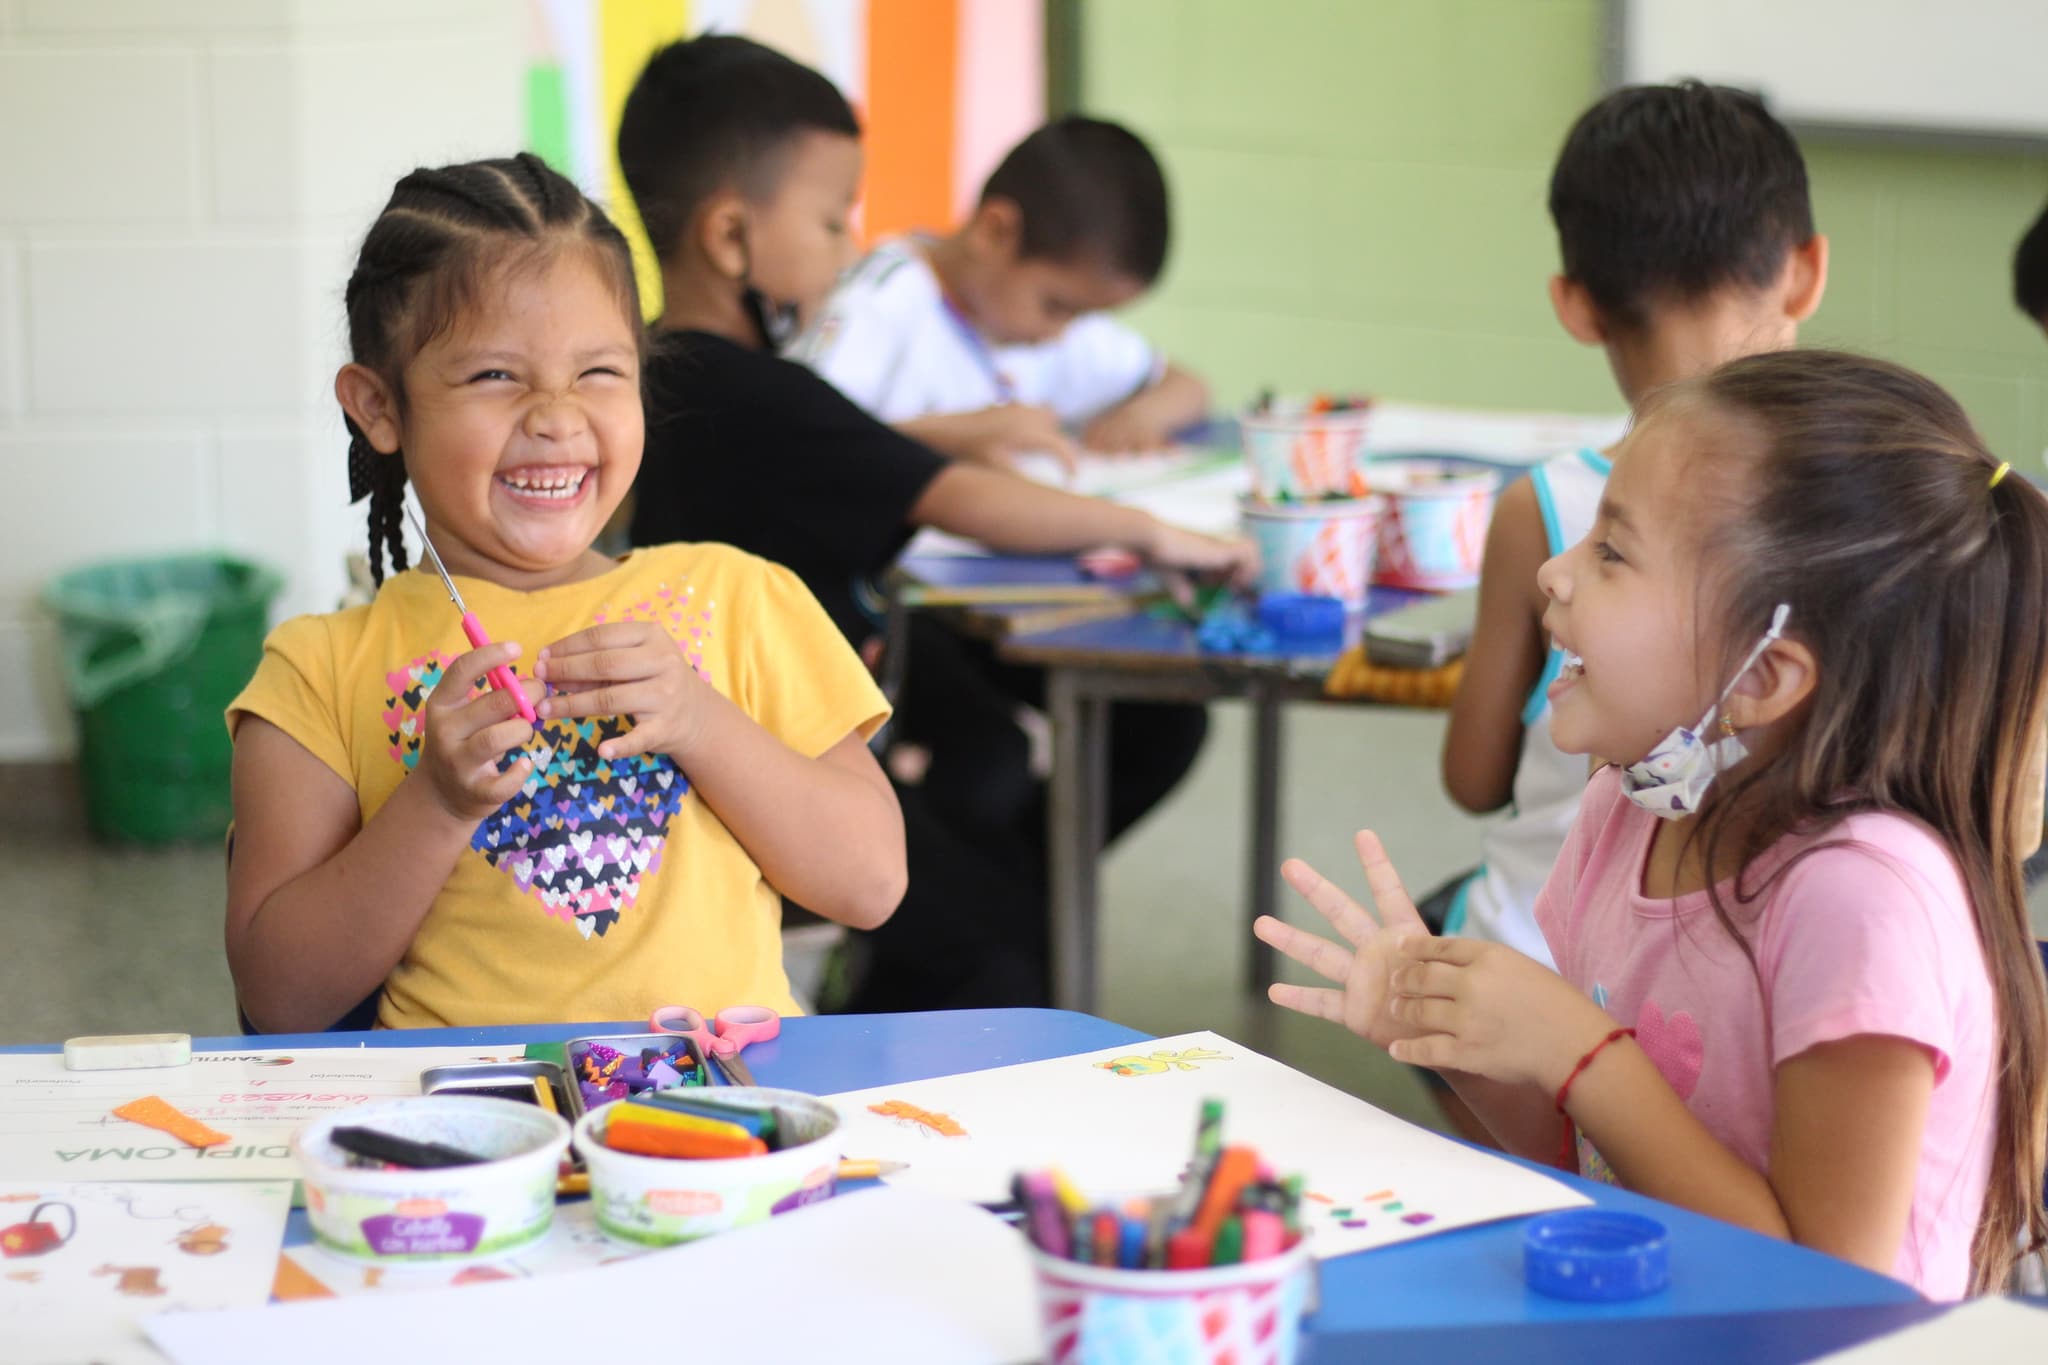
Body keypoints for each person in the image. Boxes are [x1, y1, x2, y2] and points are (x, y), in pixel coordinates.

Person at [1257, 350, 2048, 1298]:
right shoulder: (1627, 810)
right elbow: (1598, 1153)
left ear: (1761, 675)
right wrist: (1450, 1035)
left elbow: (1832, 1290)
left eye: (1611, 552)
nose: (1552, 572)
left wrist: (1577, 1051)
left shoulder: (1863, 897)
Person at [617, 36, 1253, 1011]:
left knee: (1036, 806)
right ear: (731, 237)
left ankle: (943, 929)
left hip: (821, 706)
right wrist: (1154, 532)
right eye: (832, 221)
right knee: (1005, 948)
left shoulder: (698, 377)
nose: (851, 247)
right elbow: (958, 495)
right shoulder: (744, 393)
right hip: (772, 762)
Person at [225, 154, 904, 1033]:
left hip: (728, 1118)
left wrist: (702, 722)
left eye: (599, 373)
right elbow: (279, 1000)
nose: (556, 415)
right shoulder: (318, 668)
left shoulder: (743, 598)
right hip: (469, 1130)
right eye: (494, 376)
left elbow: (872, 882)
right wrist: (435, 803)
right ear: (379, 407)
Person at [1436, 82, 1827, 963]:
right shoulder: (1870, 502)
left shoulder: (1538, 509)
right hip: (1776, 976)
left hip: (1543, 958)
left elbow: (1473, 778)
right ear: (1805, 268)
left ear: (1576, 303)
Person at [788, 115, 1207, 470]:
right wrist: (951, 436)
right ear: (995, 231)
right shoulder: (876, 302)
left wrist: (1138, 418)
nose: (1061, 333)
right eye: (1056, 306)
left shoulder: (1052, 335)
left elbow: (1185, 384)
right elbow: (795, 441)